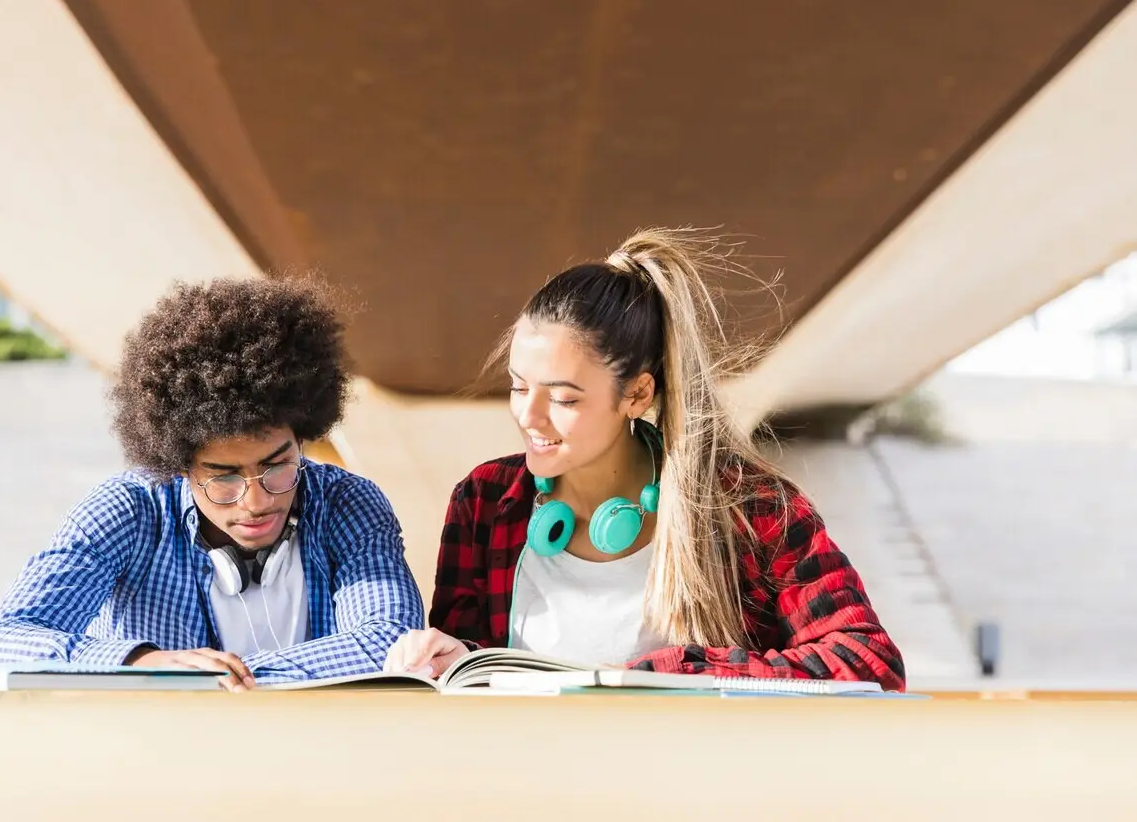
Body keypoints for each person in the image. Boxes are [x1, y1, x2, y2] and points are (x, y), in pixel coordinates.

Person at [385, 227, 906, 691]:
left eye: (564, 398)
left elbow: (871, 663)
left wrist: (679, 674)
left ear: (635, 395)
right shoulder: (485, 500)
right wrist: (453, 659)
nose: (529, 416)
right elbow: (471, 682)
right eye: (519, 387)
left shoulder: (751, 507)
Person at [0, 275, 424, 689]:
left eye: (278, 466)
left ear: (302, 435)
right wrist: (142, 662)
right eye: (223, 478)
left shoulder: (349, 502)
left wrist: (223, 680)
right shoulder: (127, 509)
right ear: (178, 463)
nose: (256, 501)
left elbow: (390, 642)